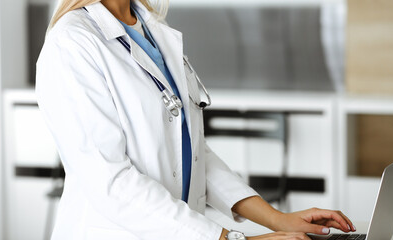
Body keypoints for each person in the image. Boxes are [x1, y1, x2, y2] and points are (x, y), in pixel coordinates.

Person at [35, 0, 356, 239]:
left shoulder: (153, 30)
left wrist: (277, 219)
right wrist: (228, 238)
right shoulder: (72, 42)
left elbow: (192, 152)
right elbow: (110, 181)